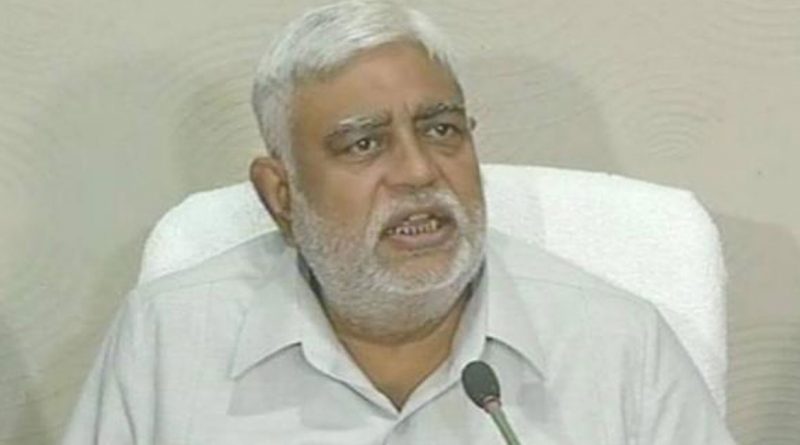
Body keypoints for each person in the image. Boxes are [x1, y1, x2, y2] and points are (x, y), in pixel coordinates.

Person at [62, 1, 736, 443]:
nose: (419, 171)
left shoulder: (619, 347)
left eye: (442, 130)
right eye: (364, 143)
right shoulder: (168, 338)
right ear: (281, 195)